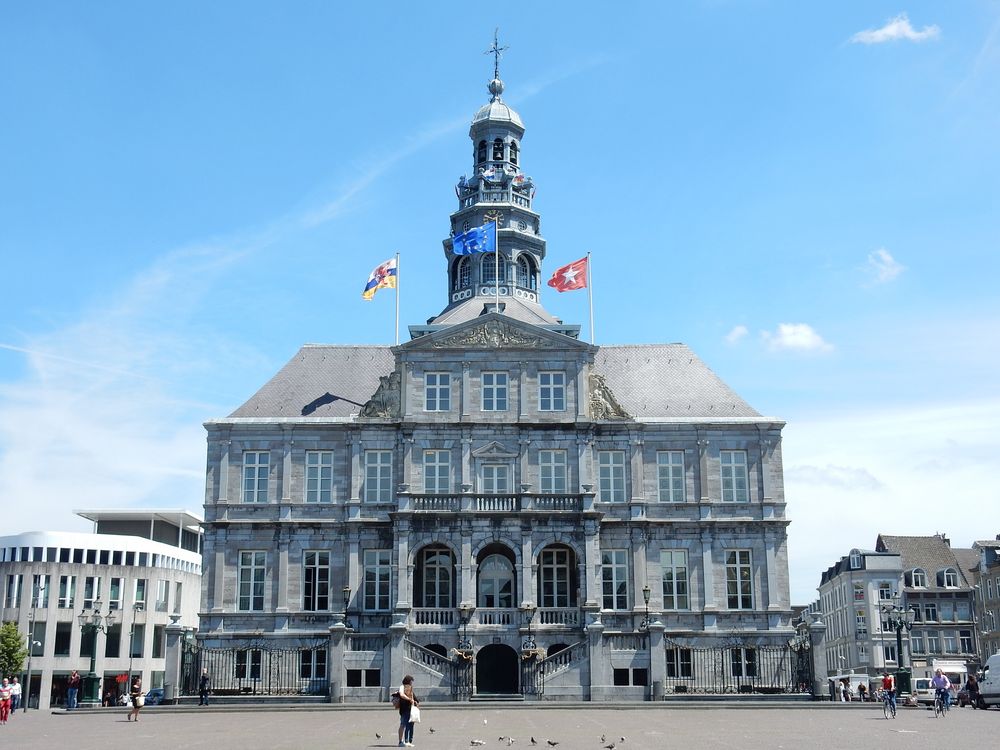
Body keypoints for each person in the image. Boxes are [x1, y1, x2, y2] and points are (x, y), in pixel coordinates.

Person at [397, 674, 419, 748]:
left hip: (410, 709)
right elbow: (401, 695)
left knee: (409, 725)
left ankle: (407, 741)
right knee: (403, 724)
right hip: (404, 709)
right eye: (410, 681)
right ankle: (401, 741)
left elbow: (413, 697)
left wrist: (415, 701)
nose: (411, 683)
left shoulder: (410, 688)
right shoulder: (402, 687)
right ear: (408, 681)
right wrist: (409, 699)